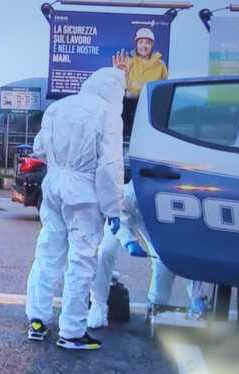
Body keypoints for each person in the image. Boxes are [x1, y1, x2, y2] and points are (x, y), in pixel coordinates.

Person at [25, 67, 125, 350]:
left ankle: (37, 318)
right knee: (81, 261)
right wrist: (114, 209)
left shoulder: (58, 107)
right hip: (84, 192)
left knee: (48, 251)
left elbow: (39, 149)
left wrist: (61, 164)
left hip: (54, 184)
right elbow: (110, 168)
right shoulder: (107, 114)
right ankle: (71, 331)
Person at [87, 182, 210, 328]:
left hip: (162, 233)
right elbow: (118, 213)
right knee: (105, 251)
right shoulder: (134, 191)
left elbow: (191, 253)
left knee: (161, 286)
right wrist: (128, 240)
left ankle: (157, 308)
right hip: (128, 216)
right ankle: (98, 304)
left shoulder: (190, 200)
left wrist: (198, 296)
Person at [113, 27, 168, 136]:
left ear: (152, 45)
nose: (144, 46)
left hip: (149, 106)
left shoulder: (161, 65)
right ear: (136, 44)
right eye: (140, 42)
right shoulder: (128, 61)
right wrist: (119, 73)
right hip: (129, 105)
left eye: (147, 43)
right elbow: (117, 86)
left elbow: (164, 89)